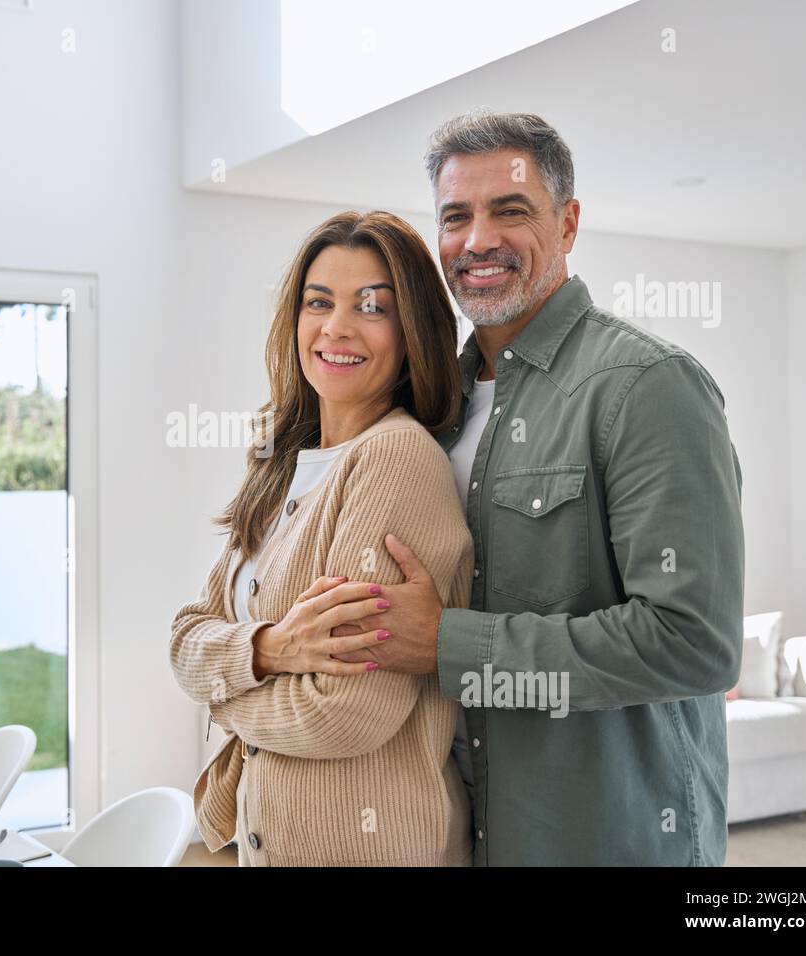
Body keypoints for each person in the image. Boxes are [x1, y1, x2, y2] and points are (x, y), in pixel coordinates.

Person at [331, 111, 745, 865]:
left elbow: (694, 644)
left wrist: (449, 642)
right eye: (456, 217)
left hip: (605, 840)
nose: (479, 240)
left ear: (569, 223)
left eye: (511, 210)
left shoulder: (647, 386)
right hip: (463, 831)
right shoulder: (434, 406)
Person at [169, 210, 473, 865]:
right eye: (319, 302)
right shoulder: (280, 460)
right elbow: (185, 639)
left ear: (411, 328)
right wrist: (272, 649)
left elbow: (343, 713)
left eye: (371, 306)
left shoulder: (395, 459)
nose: (337, 327)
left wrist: (222, 699)